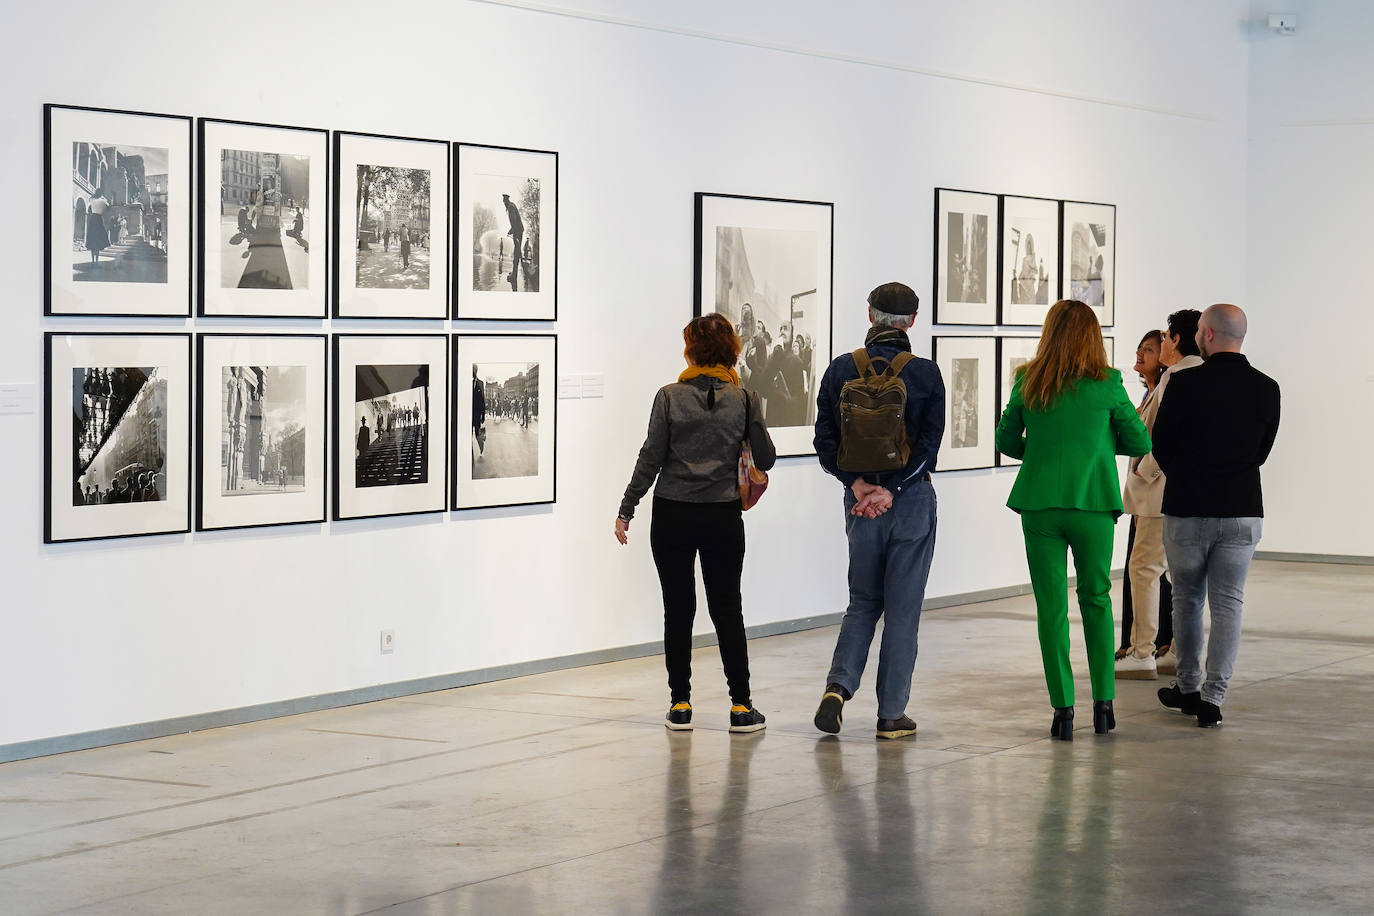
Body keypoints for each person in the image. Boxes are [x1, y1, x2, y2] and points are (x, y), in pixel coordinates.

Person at [995, 299, 1151, 740]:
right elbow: (1139, 440)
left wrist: (1042, 453)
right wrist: (1099, 446)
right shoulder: (1109, 383)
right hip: (1093, 503)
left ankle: (1062, 710)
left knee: (1051, 608)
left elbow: (1006, 439)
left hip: (1040, 503)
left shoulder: (1028, 379)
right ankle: (1104, 705)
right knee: (1097, 599)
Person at [615, 313, 776, 734]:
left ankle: (680, 704)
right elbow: (767, 457)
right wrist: (751, 416)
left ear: (691, 351)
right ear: (731, 352)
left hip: (672, 513)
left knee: (678, 608)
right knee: (727, 608)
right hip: (722, 516)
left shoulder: (669, 397)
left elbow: (650, 457)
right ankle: (741, 706)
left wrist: (627, 508)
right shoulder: (744, 399)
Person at [812, 282, 945, 740]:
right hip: (910, 503)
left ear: (870, 315)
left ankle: (837, 688)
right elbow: (929, 448)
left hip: (859, 504)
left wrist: (857, 486)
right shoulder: (925, 374)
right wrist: (894, 490)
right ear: (913, 320)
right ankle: (891, 715)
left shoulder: (840, 369)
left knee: (863, 602)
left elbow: (824, 441)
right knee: (902, 611)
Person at [1153, 304, 1280, 728]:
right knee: (1228, 604)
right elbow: (1261, 451)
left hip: (1187, 507)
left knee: (1186, 599)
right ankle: (1213, 698)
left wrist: (1187, 475)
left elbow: (1162, 444)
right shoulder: (1267, 388)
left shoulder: (1184, 383)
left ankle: (1188, 688)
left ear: (1206, 335)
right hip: (1242, 508)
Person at [1118, 311, 1204, 676]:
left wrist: (1144, 473)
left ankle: (1142, 652)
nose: (1162, 344)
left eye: (1165, 338)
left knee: (1144, 570)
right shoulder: (1204, 374)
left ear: (1177, 340)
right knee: (1179, 576)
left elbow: (1161, 436)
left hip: (1160, 494)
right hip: (1190, 493)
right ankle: (1178, 651)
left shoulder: (1176, 376)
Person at [86, 191, 112, 265]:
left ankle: (92, 261)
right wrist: (104, 198)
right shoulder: (103, 200)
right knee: (98, 241)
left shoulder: (92, 200)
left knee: (92, 240)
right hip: (99, 219)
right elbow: (109, 208)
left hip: (92, 219)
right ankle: (96, 262)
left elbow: (90, 202)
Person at [472, 366, 487, 456]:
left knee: (477, 433)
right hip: (468, 413)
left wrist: (483, 415)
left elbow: (482, 400)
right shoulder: (466, 382)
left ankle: (481, 445)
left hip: (477, 413)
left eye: (474, 370)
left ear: (476, 371)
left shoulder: (480, 383)